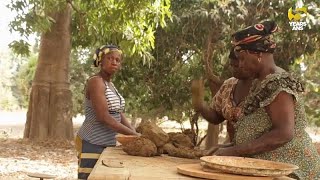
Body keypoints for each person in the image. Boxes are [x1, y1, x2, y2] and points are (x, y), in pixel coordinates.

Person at [211, 20, 320, 179]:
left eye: (242, 58)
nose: (240, 65)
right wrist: (224, 148)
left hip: (293, 171)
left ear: (258, 54)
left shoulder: (277, 84)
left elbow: (283, 133)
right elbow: (258, 132)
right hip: (273, 170)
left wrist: (234, 151)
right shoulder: (259, 83)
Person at [75, 45, 139, 179]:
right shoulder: (96, 82)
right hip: (92, 142)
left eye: (117, 60)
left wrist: (135, 133)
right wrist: (134, 135)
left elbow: (118, 113)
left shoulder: (110, 85)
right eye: (110, 58)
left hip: (107, 143)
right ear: (100, 61)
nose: (114, 62)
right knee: (89, 177)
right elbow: (103, 117)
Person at [192, 49, 252, 143]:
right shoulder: (229, 84)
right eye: (231, 65)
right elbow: (216, 117)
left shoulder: (264, 85)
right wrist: (201, 106)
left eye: (236, 66)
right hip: (235, 149)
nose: (233, 69)